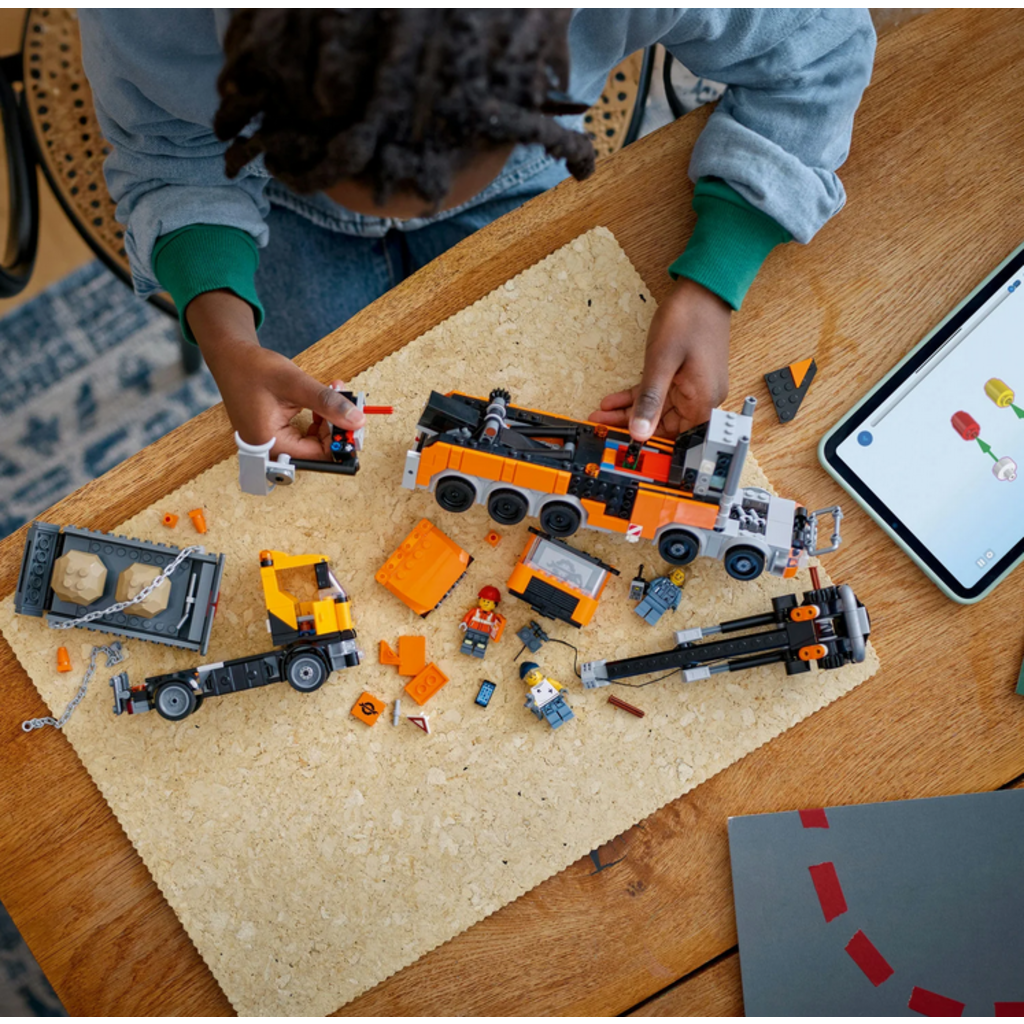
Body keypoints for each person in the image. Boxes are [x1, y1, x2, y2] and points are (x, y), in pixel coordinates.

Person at [79, 9, 876, 460]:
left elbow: (818, 49)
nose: (405, 213)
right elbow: (165, 148)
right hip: (271, 206)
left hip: (518, 171)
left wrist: (716, 274)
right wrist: (226, 337)